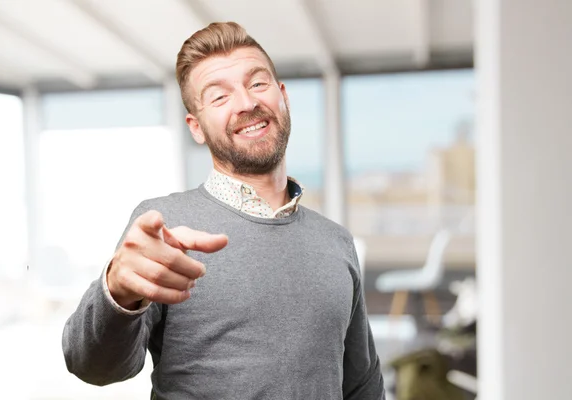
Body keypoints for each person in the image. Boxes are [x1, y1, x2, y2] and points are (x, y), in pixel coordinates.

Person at [62, 21, 385, 400]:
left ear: (283, 96)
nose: (247, 103)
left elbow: (363, 384)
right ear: (196, 128)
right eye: (219, 97)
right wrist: (116, 290)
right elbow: (91, 365)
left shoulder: (336, 241)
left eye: (258, 84)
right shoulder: (163, 227)